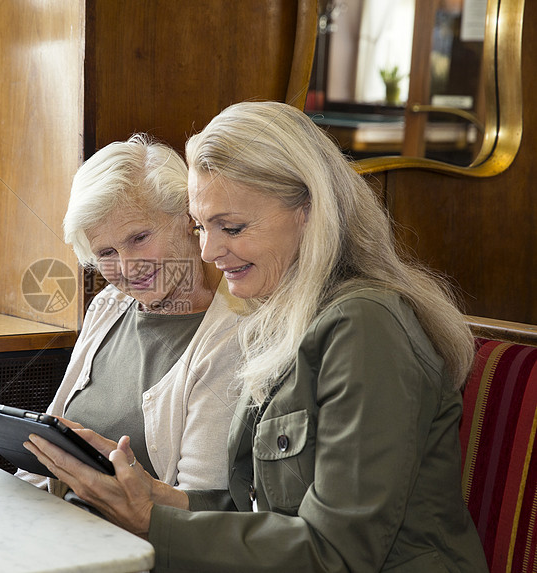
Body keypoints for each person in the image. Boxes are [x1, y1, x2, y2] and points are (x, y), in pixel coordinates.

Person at [24, 102, 488, 571]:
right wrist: (154, 497)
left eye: (232, 227)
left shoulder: (366, 326)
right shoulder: (285, 315)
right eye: (203, 226)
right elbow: (262, 518)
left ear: (308, 209)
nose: (207, 250)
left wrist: (152, 522)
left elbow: (334, 553)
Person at [16, 134, 245, 496]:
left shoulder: (235, 329)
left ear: (188, 217)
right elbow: (46, 450)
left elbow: (201, 502)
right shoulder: (109, 304)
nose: (127, 266)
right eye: (106, 251)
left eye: (139, 237)